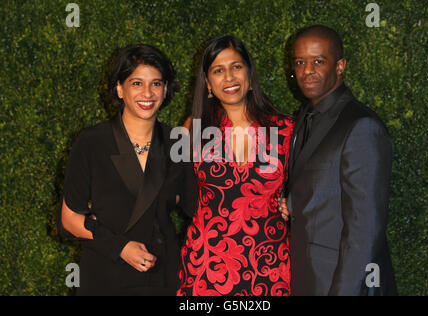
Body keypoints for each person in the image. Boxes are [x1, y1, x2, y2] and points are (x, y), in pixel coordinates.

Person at [58, 44, 188, 295]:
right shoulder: (92, 142)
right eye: (137, 83)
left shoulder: (176, 142)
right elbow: (69, 219)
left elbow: (195, 201)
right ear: (120, 88)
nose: (147, 93)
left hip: (162, 275)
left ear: (165, 89)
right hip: (106, 274)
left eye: (156, 83)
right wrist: (121, 247)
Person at [280, 25, 397, 295]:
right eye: (300, 62)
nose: (307, 71)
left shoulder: (362, 126)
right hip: (308, 278)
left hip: (343, 283)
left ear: (340, 65)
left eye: (318, 61)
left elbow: (364, 232)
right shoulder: (304, 119)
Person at [177, 35, 294, 296]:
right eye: (218, 70)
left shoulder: (286, 130)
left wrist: (292, 201)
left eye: (236, 67)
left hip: (269, 267)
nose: (229, 77)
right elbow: (168, 192)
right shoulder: (193, 130)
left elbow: (309, 188)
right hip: (206, 269)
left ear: (249, 74)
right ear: (208, 83)